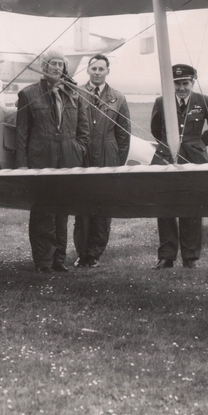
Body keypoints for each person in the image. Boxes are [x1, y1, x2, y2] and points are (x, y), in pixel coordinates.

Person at [15, 48, 89, 273]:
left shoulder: (74, 94)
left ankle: (59, 259)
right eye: (53, 63)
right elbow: (22, 133)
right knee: (43, 210)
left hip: (68, 156)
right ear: (44, 67)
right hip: (41, 157)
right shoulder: (28, 94)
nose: (57, 68)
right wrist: (23, 164)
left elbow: (83, 129)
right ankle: (43, 261)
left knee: (62, 208)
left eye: (60, 64)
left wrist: (78, 149)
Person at [151, 64, 208, 269]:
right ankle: (166, 255)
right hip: (166, 158)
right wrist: (169, 144)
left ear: (192, 83)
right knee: (165, 205)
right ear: (171, 84)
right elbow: (156, 129)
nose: (181, 88)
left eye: (185, 83)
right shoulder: (161, 101)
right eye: (177, 84)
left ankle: (190, 256)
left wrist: (198, 144)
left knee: (192, 205)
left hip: (194, 159)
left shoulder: (203, 101)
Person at [72, 54, 131, 268]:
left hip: (108, 153)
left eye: (101, 69)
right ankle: (82, 252)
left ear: (108, 71)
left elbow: (124, 134)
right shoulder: (77, 93)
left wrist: (117, 161)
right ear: (88, 71)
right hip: (84, 154)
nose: (97, 72)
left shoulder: (118, 98)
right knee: (83, 205)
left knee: (103, 206)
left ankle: (95, 253)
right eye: (93, 68)